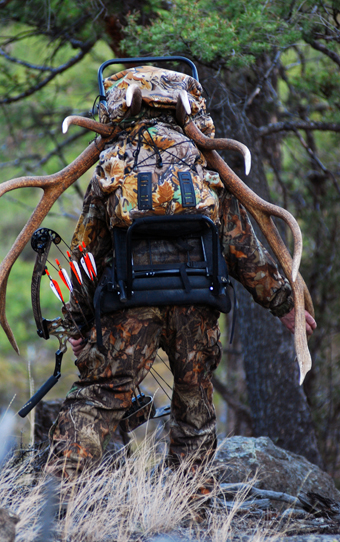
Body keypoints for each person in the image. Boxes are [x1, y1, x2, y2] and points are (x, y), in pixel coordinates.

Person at [47, 65, 316, 478]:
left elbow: (85, 255)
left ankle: (56, 503)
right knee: (195, 407)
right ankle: (191, 514)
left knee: (99, 398)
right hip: (197, 304)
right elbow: (243, 250)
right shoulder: (207, 167)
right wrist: (284, 304)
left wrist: (77, 324)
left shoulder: (112, 166)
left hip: (129, 305)